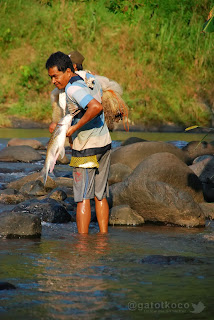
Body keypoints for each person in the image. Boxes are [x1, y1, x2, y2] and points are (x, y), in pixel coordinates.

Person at [46, 51, 112, 234]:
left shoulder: (72, 89)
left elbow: (96, 107)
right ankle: (102, 240)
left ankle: (82, 246)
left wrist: (73, 129)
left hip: (86, 148)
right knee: (100, 196)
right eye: (51, 77)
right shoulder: (92, 78)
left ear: (68, 70)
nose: (53, 81)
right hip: (104, 143)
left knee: (82, 198)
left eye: (55, 76)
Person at [49, 50, 85, 134]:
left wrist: (74, 127)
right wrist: (55, 121)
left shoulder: (80, 84)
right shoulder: (62, 87)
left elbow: (95, 107)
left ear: (73, 67)